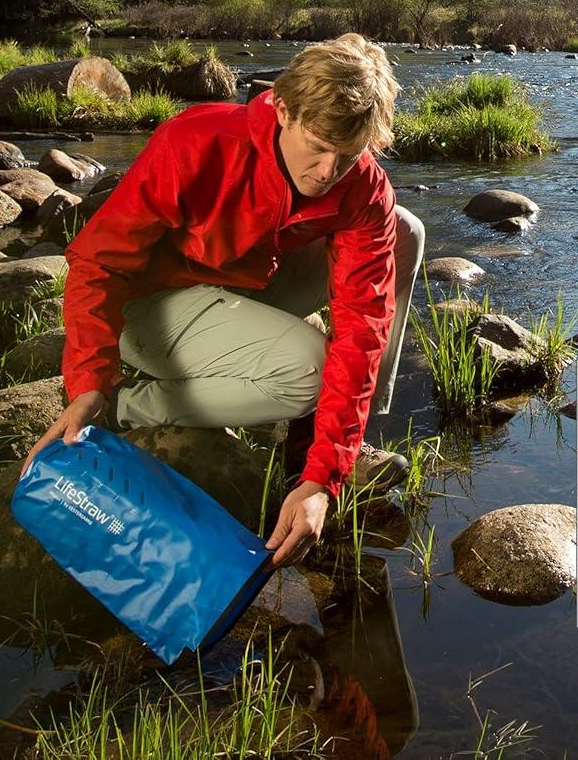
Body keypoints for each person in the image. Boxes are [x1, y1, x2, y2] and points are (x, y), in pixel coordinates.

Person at [22, 33, 424, 569]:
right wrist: (89, 382)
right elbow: (101, 264)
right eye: (318, 146)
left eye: (347, 155)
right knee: (309, 369)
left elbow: (363, 323)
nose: (328, 173)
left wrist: (323, 475)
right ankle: (123, 407)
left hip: (246, 280)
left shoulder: (361, 186)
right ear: (282, 108)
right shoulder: (196, 142)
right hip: (152, 303)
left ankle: (321, 448)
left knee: (403, 230)